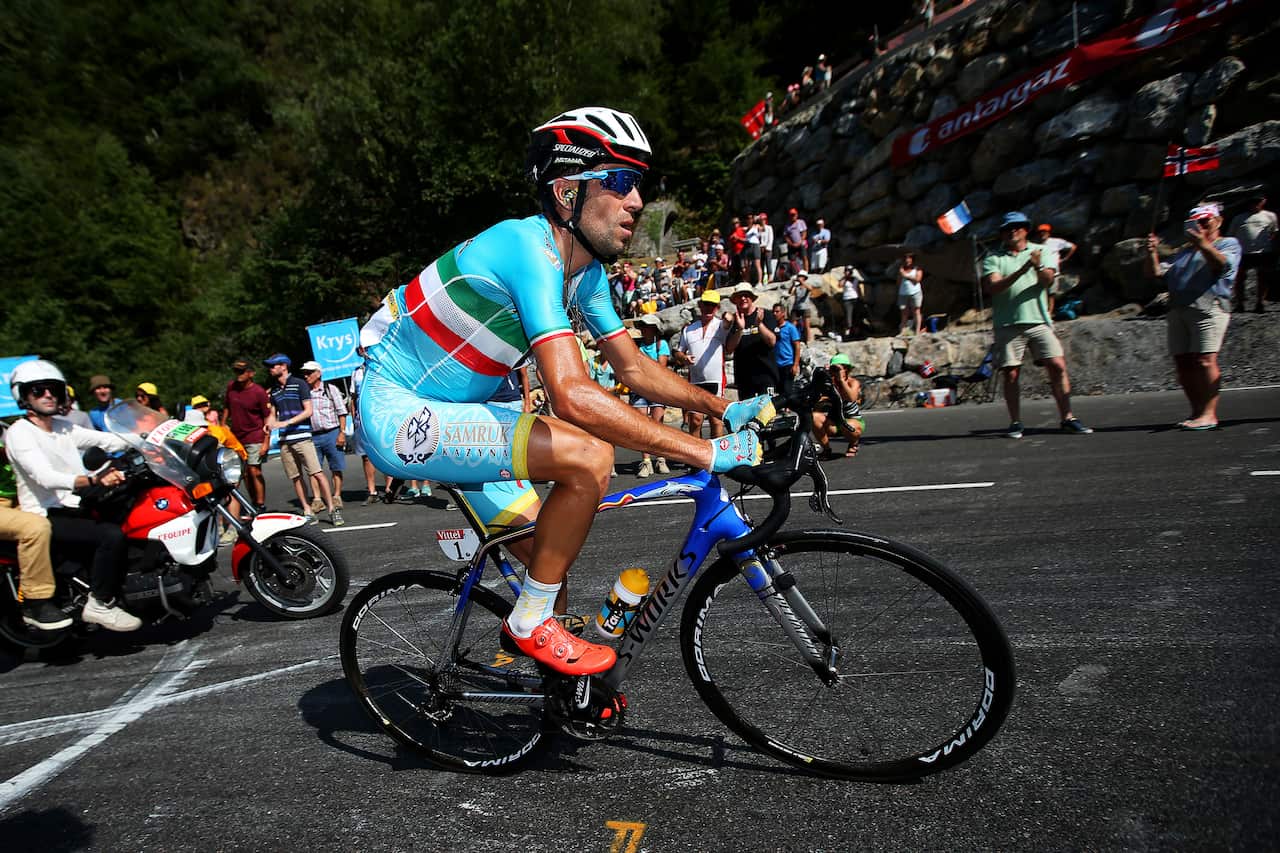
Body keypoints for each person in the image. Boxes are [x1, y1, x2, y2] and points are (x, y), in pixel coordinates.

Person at [354, 106, 771, 676]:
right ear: (567, 192)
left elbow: (632, 368)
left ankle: (553, 689)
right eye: (619, 181)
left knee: (549, 559)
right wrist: (703, 450)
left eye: (638, 185)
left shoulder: (587, 273)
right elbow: (572, 394)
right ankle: (528, 625)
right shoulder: (524, 247)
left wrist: (726, 407)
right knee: (589, 456)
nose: (636, 202)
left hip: (467, 409)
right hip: (398, 411)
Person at [5, 359, 140, 631]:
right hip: (48, 512)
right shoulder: (20, 433)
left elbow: (105, 440)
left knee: (129, 507)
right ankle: (100, 603)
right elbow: (45, 477)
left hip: (76, 502)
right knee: (110, 535)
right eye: (38, 390)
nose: (48, 395)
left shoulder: (62, 426)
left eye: (53, 389)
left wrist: (148, 436)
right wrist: (93, 479)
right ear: (23, 396)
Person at [982, 211, 1092, 438]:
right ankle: (1015, 422)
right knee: (1011, 373)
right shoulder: (993, 257)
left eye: (1017, 227)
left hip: (1038, 320)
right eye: (1007, 228)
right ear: (1002, 234)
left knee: (1057, 365)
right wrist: (1022, 270)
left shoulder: (1041, 252)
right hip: (1008, 323)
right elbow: (993, 287)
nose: (1012, 231)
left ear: (1026, 229)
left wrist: (1038, 266)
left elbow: (1048, 281)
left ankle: (1068, 417)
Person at [1144, 202, 1242, 430]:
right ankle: (1197, 411)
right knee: (1183, 362)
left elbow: (1222, 266)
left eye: (1205, 221)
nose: (1200, 226)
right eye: (1194, 223)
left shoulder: (1227, 244)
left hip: (1208, 307)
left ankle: (1209, 414)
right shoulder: (1184, 251)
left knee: (1205, 359)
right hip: (1179, 308)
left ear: (1218, 221)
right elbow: (1155, 273)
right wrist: (1151, 253)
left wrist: (1202, 244)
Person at [262, 354, 342, 526]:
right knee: (295, 477)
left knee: (317, 473)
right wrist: (269, 424)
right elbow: (273, 413)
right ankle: (307, 510)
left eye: (273, 366)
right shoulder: (274, 390)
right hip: (285, 440)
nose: (270, 369)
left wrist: (286, 422)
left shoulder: (299, 384)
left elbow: (308, 411)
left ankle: (332, 509)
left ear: (284, 366)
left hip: (303, 437)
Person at [0, 426, 65, 629]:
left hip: (19, 497)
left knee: (67, 510)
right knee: (35, 527)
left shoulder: (10, 429)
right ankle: (35, 602)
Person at [674, 289, 741, 441]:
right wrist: (683, 358)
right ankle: (696, 452)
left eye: (712, 305)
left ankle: (716, 453)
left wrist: (729, 317)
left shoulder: (720, 326)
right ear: (700, 305)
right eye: (706, 304)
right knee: (695, 420)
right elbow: (678, 352)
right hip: (695, 381)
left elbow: (729, 322)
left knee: (715, 420)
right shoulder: (689, 329)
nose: (709, 308)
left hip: (715, 380)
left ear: (717, 307)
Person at [300, 360, 348, 513]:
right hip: (312, 435)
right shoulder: (304, 392)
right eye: (304, 373)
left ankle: (337, 496)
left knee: (336, 466)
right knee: (313, 469)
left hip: (332, 432)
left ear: (318, 373)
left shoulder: (330, 389)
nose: (306, 376)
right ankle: (317, 499)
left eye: (309, 372)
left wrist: (342, 432)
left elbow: (341, 412)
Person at [224, 358, 271, 511]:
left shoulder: (258, 392)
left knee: (254, 470)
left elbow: (267, 418)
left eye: (242, 371)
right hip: (236, 437)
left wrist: (266, 441)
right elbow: (227, 407)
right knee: (243, 474)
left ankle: (260, 504)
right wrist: (222, 425)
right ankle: (253, 502)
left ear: (251, 373)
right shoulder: (231, 387)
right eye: (236, 371)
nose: (239, 374)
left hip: (255, 435)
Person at [630, 315, 672, 478]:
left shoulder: (661, 344)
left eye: (646, 326)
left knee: (657, 425)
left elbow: (660, 368)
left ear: (654, 329)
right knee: (642, 426)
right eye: (642, 326)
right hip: (639, 389)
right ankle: (646, 461)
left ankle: (660, 458)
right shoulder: (636, 345)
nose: (643, 329)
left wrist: (643, 368)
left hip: (656, 389)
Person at [203, 404, 248, 544]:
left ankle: (234, 529)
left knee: (230, 492)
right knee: (217, 494)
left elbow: (219, 451)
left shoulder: (215, 431)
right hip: (219, 461)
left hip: (234, 458)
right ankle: (220, 526)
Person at [729, 283, 780, 400]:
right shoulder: (735, 319)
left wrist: (759, 324)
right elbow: (729, 348)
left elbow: (772, 341)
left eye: (746, 295)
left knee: (766, 410)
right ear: (735, 300)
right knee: (747, 411)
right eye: (739, 296)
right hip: (744, 378)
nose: (743, 298)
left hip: (765, 374)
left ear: (752, 298)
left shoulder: (765, 315)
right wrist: (740, 329)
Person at [1228, 194, 1276, 313]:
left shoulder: (1270, 216)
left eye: (1258, 201)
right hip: (1243, 252)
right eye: (1253, 202)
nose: (1256, 204)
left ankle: (1260, 303)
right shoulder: (1239, 218)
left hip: (1263, 252)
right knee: (1239, 278)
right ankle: (1240, 303)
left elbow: (1274, 232)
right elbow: (1231, 235)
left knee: (1263, 278)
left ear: (1263, 201)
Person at [812, 353, 865, 459]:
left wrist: (841, 380)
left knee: (847, 425)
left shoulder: (853, 382)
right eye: (833, 369)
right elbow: (816, 398)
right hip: (834, 423)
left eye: (838, 369)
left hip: (852, 422)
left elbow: (851, 398)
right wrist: (824, 376)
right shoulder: (829, 383)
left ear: (846, 369)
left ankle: (854, 444)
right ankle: (826, 449)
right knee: (814, 417)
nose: (835, 372)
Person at [1034, 224, 1078, 317]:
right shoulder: (1036, 245)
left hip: (1054, 272)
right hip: (1039, 273)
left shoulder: (1056, 241)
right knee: (1041, 294)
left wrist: (1065, 259)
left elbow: (1073, 247)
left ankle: (1049, 314)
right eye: (1040, 232)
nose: (1042, 234)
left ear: (1048, 233)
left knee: (1051, 294)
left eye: (1044, 232)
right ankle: (1041, 314)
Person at [771, 303, 803, 396]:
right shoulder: (772, 327)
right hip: (775, 364)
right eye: (773, 312)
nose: (774, 314)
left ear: (783, 313)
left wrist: (795, 364)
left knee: (787, 390)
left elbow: (797, 346)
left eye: (777, 312)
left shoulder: (790, 328)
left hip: (787, 363)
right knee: (777, 390)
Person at [897, 253, 924, 336]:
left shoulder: (917, 269)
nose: (907, 261)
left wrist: (905, 275)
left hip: (915, 292)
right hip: (903, 293)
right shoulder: (901, 270)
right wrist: (901, 275)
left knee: (916, 311)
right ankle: (902, 331)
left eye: (909, 259)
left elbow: (917, 279)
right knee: (904, 313)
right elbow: (898, 281)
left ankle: (917, 331)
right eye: (905, 259)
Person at [841, 265, 868, 339]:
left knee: (856, 317)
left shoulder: (855, 279)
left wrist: (861, 298)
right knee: (848, 318)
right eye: (847, 271)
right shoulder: (844, 279)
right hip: (847, 299)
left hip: (855, 299)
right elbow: (840, 285)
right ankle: (847, 335)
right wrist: (845, 277)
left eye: (850, 271)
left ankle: (856, 334)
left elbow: (858, 288)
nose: (848, 272)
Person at [784, 208, 808, 275]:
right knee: (792, 260)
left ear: (797, 215)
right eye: (791, 215)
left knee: (804, 257)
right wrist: (791, 244)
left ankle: (806, 272)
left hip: (801, 243)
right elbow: (786, 236)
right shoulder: (787, 225)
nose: (793, 216)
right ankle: (796, 273)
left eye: (794, 215)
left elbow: (804, 232)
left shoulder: (801, 222)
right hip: (792, 245)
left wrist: (800, 241)